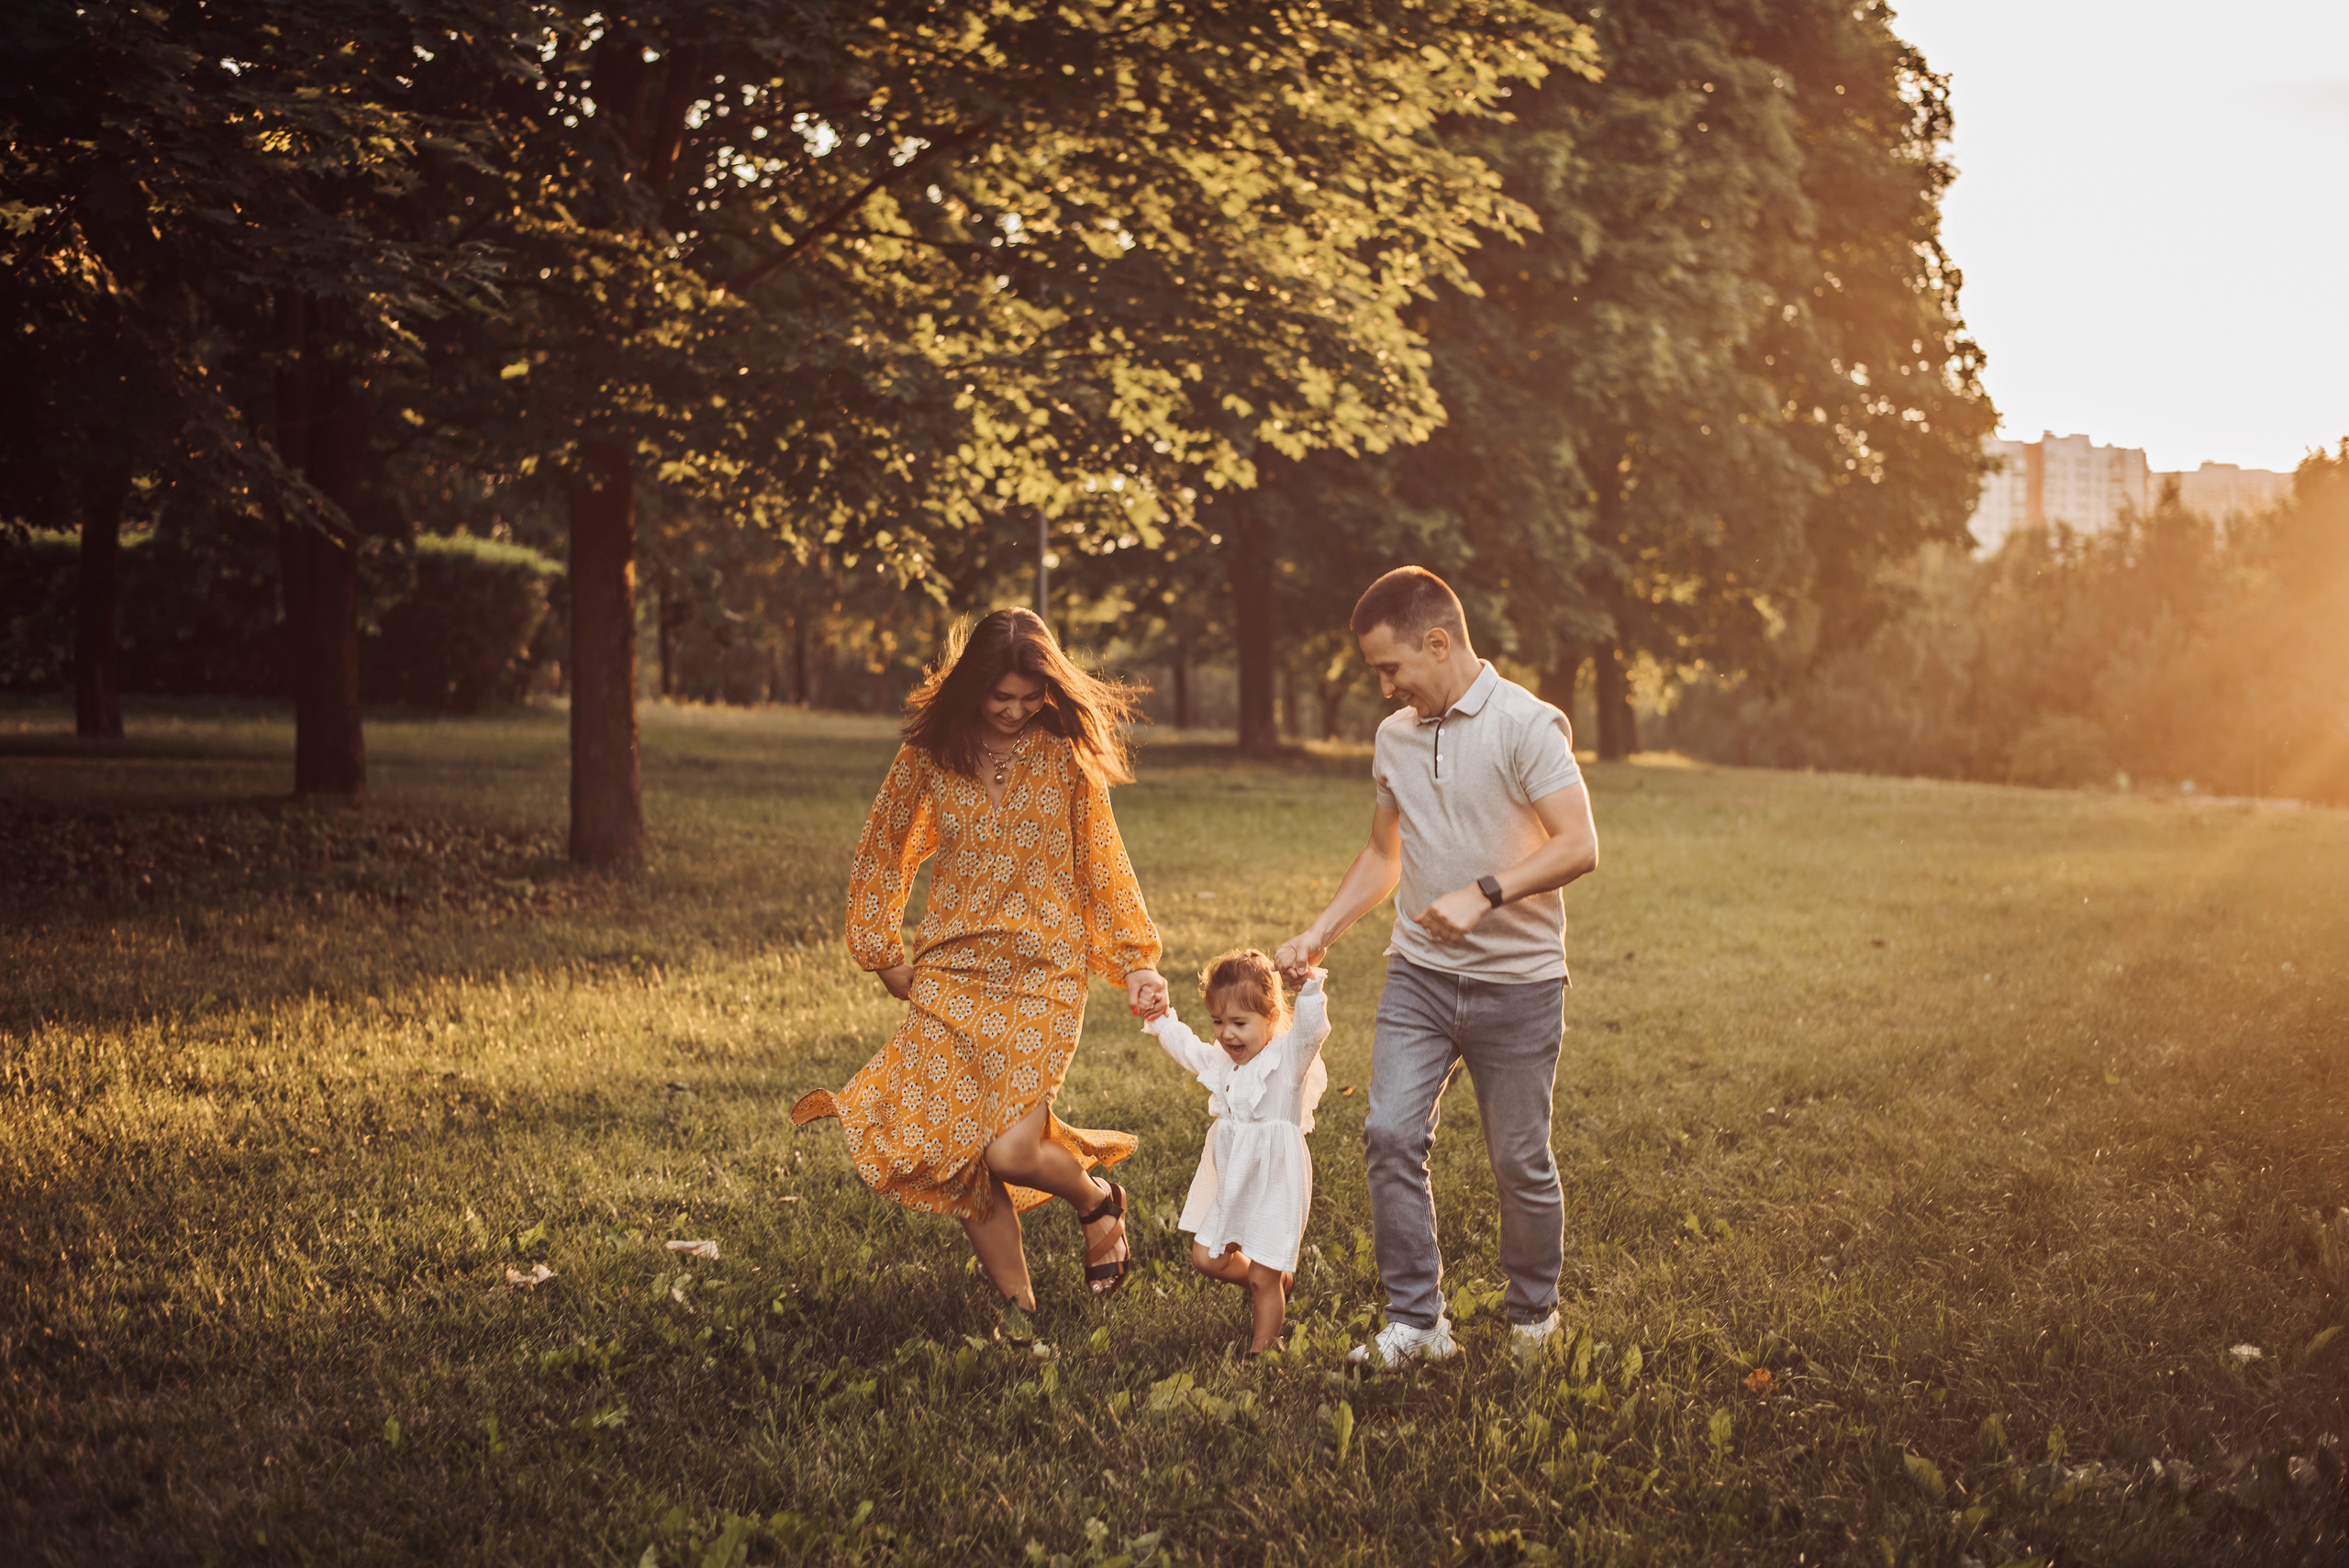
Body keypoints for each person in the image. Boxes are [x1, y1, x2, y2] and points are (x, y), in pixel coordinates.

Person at [791, 608, 1171, 1338]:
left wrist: (1135, 962)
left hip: (1042, 972)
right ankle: (1018, 1313)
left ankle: (1095, 1201)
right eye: (1002, 697)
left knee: (1010, 1147)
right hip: (955, 969)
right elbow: (884, 849)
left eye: (1030, 696)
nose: (1016, 709)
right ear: (972, 687)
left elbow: (1102, 858)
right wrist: (884, 951)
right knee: (963, 1150)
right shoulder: (932, 752)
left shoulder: (1063, 752)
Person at [1275, 566, 1599, 1368]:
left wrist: (1486, 894)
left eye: (1392, 668)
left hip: (1519, 982)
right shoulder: (1395, 739)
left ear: (1438, 642)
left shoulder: (1528, 725)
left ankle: (1533, 1317)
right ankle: (1419, 1322)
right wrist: (1321, 929)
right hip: (1418, 976)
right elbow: (1385, 853)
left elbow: (1579, 844)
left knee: (1518, 1158)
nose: (1386, 688)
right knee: (1388, 1133)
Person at [1141, 951, 1333, 1354]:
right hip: (1233, 1174)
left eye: (1239, 1023)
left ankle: (1260, 1352)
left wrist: (1309, 987)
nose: (1227, 1034)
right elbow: (1188, 1048)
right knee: (1207, 1258)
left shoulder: (1288, 1060)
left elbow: (1312, 1032)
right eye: (1218, 1022)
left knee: (1264, 1274)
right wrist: (1161, 1019)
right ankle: (1275, 1282)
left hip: (1276, 1177)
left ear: (1271, 1017)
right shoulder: (1223, 1060)